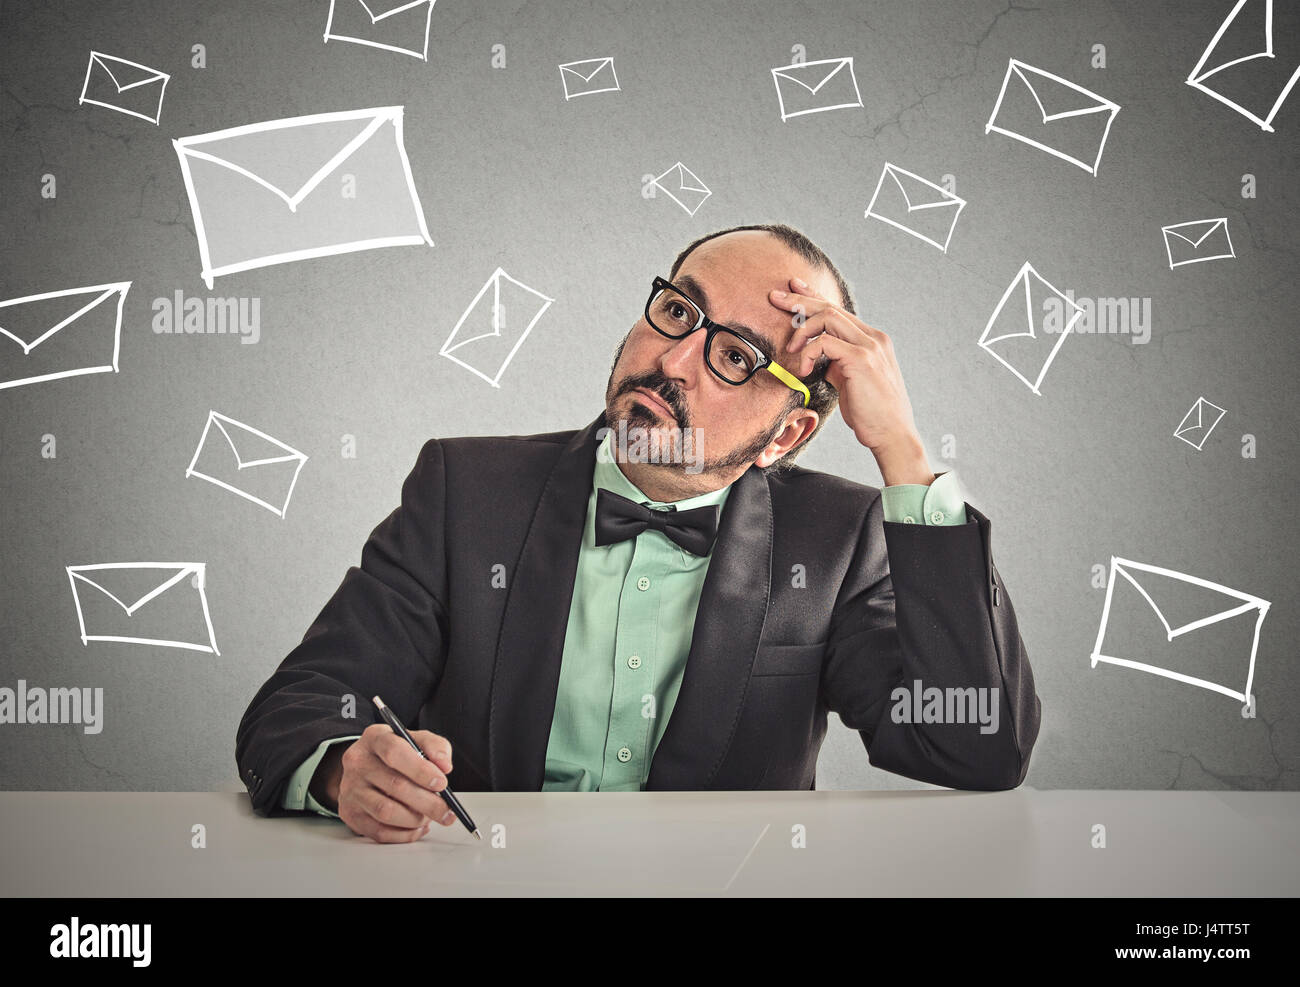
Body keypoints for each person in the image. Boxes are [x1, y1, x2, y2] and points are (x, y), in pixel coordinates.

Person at [236, 223, 1041, 843]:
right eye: (678, 311)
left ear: (786, 436)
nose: (676, 358)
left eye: (734, 355)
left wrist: (901, 453)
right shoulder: (463, 492)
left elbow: (976, 744)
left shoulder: (839, 537)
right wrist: (345, 769)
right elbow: (298, 706)